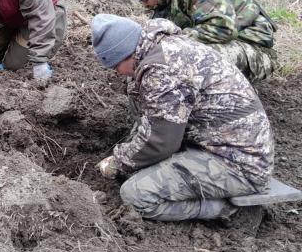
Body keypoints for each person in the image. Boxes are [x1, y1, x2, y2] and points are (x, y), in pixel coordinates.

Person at [90, 13, 274, 222]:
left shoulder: (161, 71)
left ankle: (225, 210)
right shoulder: (164, 47)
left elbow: (160, 142)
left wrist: (118, 162)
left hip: (238, 163)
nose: (117, 73)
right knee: (140, 168)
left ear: (126, 54)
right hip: (226, 144)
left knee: (136, 194)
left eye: (115, 66)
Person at [128, 0, 277, 81]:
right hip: (228, 43)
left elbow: (223, 29)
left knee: (189, 57)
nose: (145, 6)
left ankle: (238, 96)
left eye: (146, 0)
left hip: (254, 50)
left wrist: (176, 40)